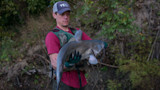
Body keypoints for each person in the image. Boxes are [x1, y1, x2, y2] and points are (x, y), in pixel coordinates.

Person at [45, 1, 91, 90]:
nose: (66, 17)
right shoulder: (52, 35)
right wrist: (69, 63)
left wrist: (101, 46)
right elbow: (55, 64)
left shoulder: (77, 32)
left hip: (82, 82)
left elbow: (91, 46)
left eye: (68, 14)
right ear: (54, 15)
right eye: (62, 14)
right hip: (64, 83)